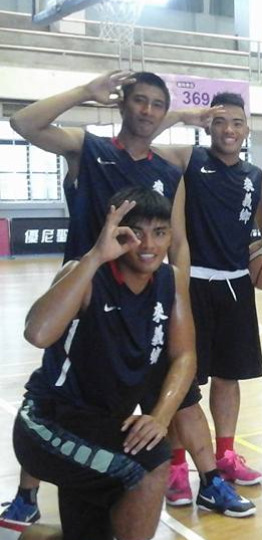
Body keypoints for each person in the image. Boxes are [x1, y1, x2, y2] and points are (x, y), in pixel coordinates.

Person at [5, 70, 253, 520]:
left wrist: (178, 292)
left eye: (157, 105)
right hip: (85, 297)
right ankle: (27, 496)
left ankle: (211, 481)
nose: (147, 111)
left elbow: (179, 241)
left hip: (148, 300)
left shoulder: (168, 169)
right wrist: (85, 92)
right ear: (122, 104)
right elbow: (23, 123)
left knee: (182, 393)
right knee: (62, 395)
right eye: (140, 101)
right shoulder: (90, 148)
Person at [12, 187, 195, 540]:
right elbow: (37, 333)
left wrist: (161, 416)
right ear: (117, 232)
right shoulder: (84, 274)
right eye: (136, 232)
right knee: (150, 463)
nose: (148, 244)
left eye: (159, 233)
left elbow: (185, 355)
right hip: (48, 422)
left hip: (105, 428)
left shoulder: (172, 281)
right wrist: (95, 255)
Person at [169, 91, 262, 515]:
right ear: (208, 126)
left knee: (228, 376)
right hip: (191, 282)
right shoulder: (189, 160)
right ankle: (176, 466)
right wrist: (181, 115)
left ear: (247, 129)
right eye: (220, 121)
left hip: (236, 285)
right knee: (183, 382)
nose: (229, 130)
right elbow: (143, 143)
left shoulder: (256, 176)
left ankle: (224, 454)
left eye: (236, 122)